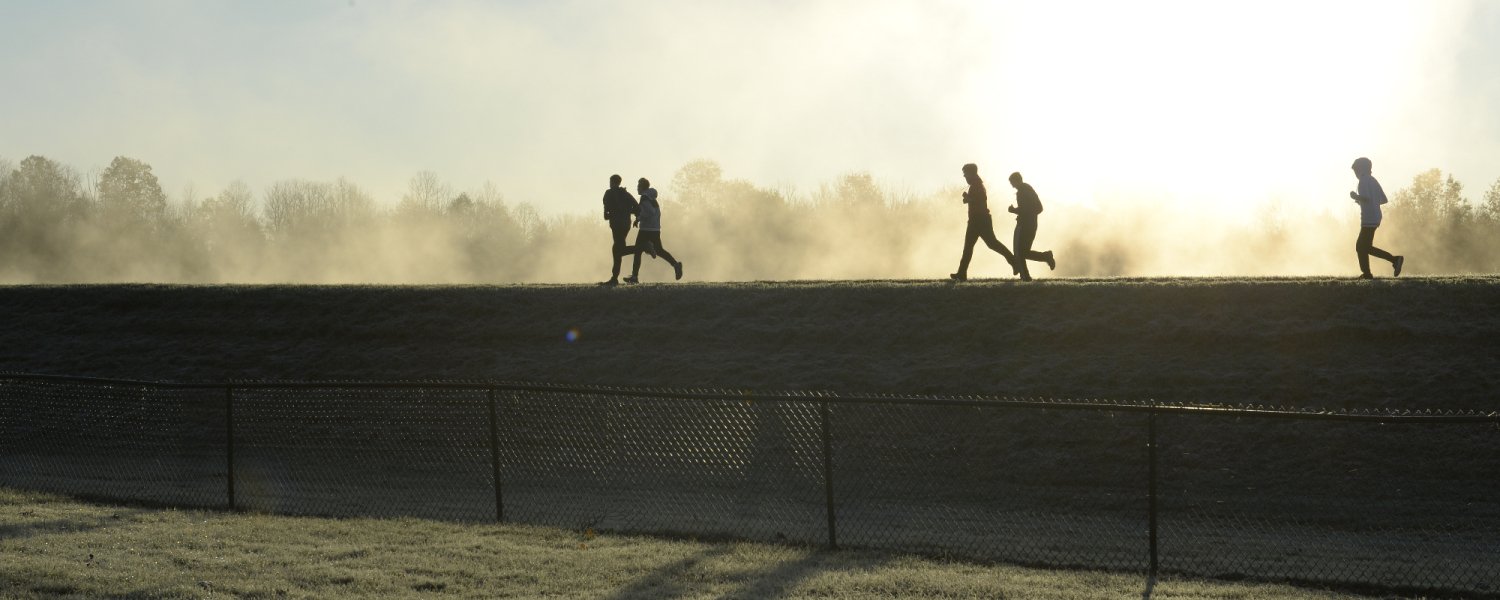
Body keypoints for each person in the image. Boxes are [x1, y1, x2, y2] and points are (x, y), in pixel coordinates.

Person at [951, 163, 1017, 282]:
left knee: (990, 244)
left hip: (980, 220)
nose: (965, 177)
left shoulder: (977, 185)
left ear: (971, 173)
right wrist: (968, 199)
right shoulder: (976, 185)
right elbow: (977, 200)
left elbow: (981, 199)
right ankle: (961, 273)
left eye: (965, 174)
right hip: (977, 220)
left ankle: (1014, 262)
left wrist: (968, 198)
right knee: (974, 246)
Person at [1349, 157, 1404, 279]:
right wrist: (1369, 202)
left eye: (1356, 172)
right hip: (1376, 217)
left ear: (1361, 169)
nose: (1356, 175)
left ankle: (1394, 260)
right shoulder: (1373, 180)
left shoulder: (1363, 180)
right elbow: (1384, 199)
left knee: (1362, 247)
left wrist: (1356, 197)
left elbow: (1366, 198)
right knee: (1363, 247)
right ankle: (1368, 273)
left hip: (1368, 218)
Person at [624, 177, 684, 283]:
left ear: (642, 187)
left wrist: (638, 215)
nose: (637, 188)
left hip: (646, 229)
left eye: (638, 186)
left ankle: (634, 276)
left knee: (638, 250)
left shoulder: (644, 198)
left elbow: (649, 212)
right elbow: (651, 212)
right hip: (655, 228)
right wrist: (638, 219)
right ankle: (675, 264)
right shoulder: (651, 198)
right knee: (659, 250)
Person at [1006, 172, 1056, 282]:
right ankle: (1046, 257)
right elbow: (1038, 208)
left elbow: (1026, 209)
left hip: (1023, 225)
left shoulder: (1022, 192)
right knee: (1024, 252)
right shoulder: (1029, 189)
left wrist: (1014, 210)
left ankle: (1025, 277)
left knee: (1019, 252)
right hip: (1032, 224)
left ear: (1016, 180)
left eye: (1012, 183)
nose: (1012, 185)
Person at [600, 174, 638, 286]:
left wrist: (609, 213)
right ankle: (614, 278)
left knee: (618, 249)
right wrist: (628, 212)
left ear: (612, 182)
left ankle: (642, 247)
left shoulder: (609, 193)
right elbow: (637, 207)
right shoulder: (626, 194)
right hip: (626, 224)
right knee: (618, 249)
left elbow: (606, 213)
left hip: (616, 225)